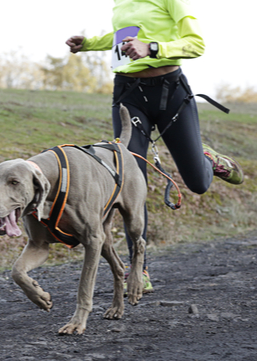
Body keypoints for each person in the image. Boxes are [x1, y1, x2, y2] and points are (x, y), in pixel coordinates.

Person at [65, 0, 244, 292]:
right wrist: (90, 44)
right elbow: (123, 39)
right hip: (128, 93)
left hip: (170, 91)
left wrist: (154, 48)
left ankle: (206, 158)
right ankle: (139, 268)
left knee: (197, 183)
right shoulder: (120, 3)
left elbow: (196, 44)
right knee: (131, 182)